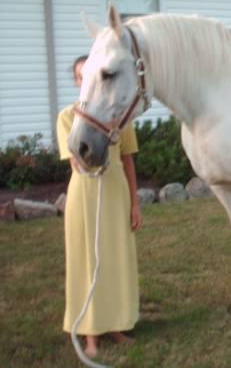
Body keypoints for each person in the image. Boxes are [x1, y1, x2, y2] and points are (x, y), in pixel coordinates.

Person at [57, 55, 143, 357]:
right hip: (86, 195)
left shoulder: (120, 117)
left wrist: (135, 204)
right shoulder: (68, 116)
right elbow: (76, 162)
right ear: (78, 82)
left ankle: (116, 324)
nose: (85, 81)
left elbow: (128, 160)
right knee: (87, 261)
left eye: (88, 75)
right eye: (80, 77)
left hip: (116, 191)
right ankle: (90, 332)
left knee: (115, 259)